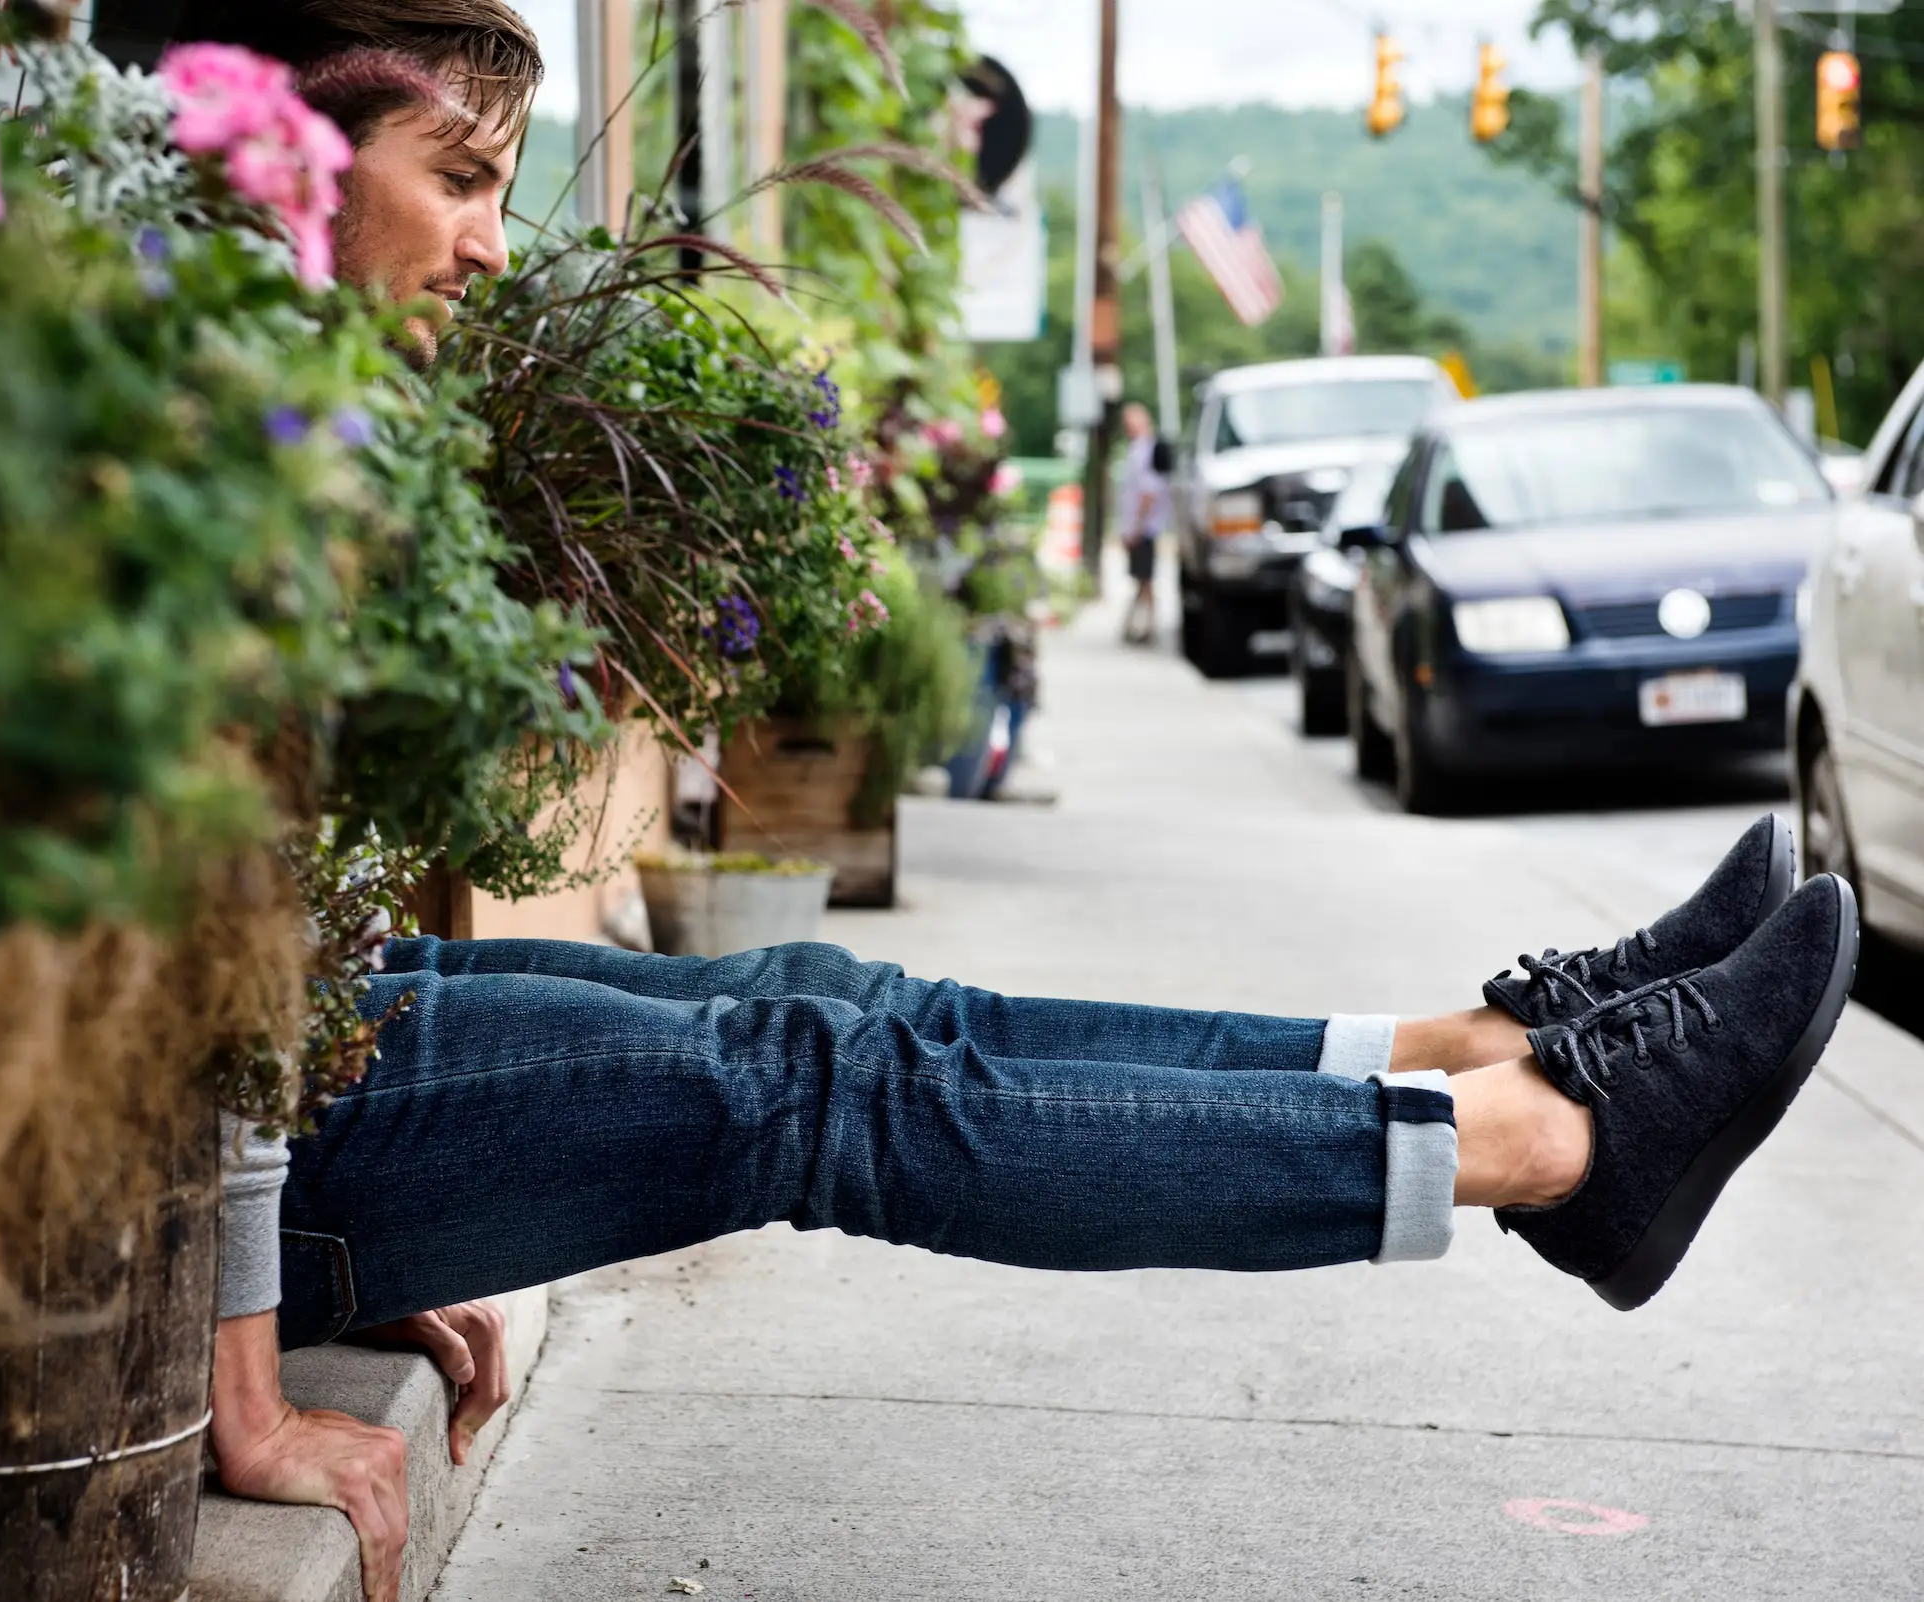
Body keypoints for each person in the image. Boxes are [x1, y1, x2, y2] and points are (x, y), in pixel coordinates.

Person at [163, 10, 1861, 1601]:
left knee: (841, 1004)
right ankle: (1545, 1145)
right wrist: (251, 1356)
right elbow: (199, 975)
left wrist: (423, 1196)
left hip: (327, 1063)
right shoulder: (174, 434)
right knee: (820, 1084)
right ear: (284, 161)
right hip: (243, 1139)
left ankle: (1470, 1047)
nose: (491, 245)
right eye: (456, 179)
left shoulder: (255, 404)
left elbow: (265, 960)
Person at [1116, 401, 1168, 645]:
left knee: (1144, 578)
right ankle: (1136, 625)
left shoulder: (1144, 451)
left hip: (1144, 527)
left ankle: (1147, 626)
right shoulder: (1137, 449)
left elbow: (1148, 492)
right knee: (1141, 578)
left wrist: (1136, 526)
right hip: (1141, 525)